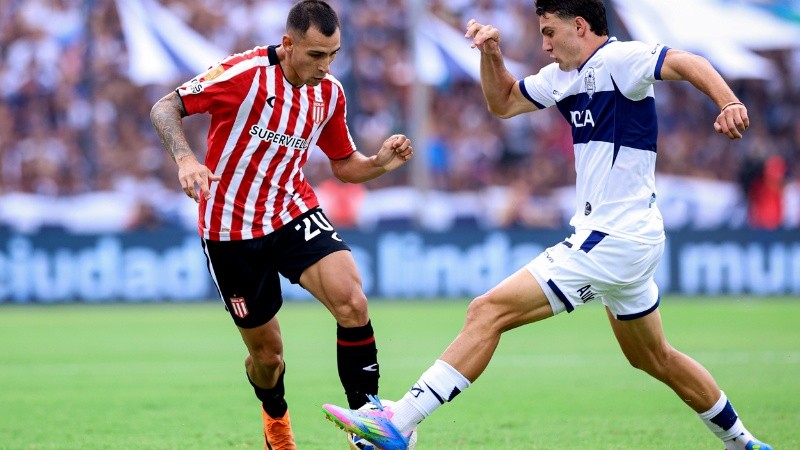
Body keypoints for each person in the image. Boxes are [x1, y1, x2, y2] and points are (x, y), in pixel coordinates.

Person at [321, 1, 773, 449]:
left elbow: (688, 60)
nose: (544, 44)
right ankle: (741, 441)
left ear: (579, 25)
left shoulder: (620, 60)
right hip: (629, 239)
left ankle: (399, 423)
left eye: (550, 32)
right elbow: (503, 103)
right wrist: (491, 54)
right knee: (654, 357)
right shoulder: (562, 78)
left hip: (613, 238)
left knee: (487, 310)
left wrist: (728, 101)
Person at [149, 1, 413, 449]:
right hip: (230, 231)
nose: (325, 66)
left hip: (291, 211)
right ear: (288, 44)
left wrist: (380, 164)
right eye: (316, 55)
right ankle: (275, 417)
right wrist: (186, 158)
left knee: (352, 300)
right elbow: (165, 106)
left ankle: (369, 422)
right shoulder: (243, 74)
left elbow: (345, 166)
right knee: (267, 358)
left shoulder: (329, 92)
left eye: (333, 54)